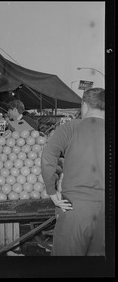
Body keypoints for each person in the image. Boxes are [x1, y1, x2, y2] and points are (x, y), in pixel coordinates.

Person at [41, 88, 105, 256]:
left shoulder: (71, 127)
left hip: (74, 208)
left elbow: (48, 156)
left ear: (84, 105)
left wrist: (52, 191)